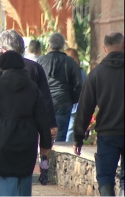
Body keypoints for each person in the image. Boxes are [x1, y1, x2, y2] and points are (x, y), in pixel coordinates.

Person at [0, 51, 52, 196]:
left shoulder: (0, 83)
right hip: (27, 138)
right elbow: (42, 117)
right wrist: (45, 144)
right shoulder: (32, 87)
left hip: (2, 137)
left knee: (5, 179)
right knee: (23, 179)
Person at [73, 32, 124, 196]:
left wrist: (78, 138)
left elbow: (85, 108)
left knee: (105, 177)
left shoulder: (96, 74)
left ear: (104, 48)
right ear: (123, 45)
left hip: (107, 134)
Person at [0, 30, 58, 142]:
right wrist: (51, 124)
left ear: (4, 50)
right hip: (28, 126)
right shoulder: (35, 68)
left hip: (2, 126)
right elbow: (45, 99)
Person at [37, 33, 82, 142]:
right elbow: (78, 84)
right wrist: (73, 100)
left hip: (44, 102)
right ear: (63, 46)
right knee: (60, 134)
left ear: (49, 45)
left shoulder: (41, 61)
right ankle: (57, 158)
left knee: (43, 134)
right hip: (64, 102)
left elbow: (34, 82)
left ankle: (44, 157)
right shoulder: (70, 62)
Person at [64, 48, 87, 142]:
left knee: (68, 129)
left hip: (69, 102)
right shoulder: (81, 71)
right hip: (77, 103)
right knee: (70, 128)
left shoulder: (66, 70)